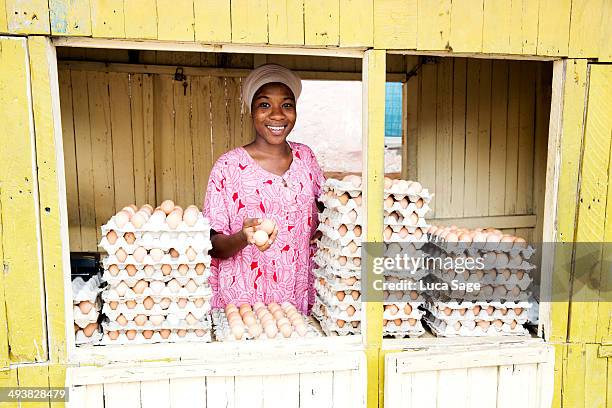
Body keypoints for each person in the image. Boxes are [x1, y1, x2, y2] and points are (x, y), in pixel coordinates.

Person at [203, 64, 325, 314]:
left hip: (297, 294)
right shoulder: (229, 166)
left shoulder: (306, 158)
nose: (277, 115)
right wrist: (243, 236)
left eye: (287, 105)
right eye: (265, 105)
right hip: (244, 299)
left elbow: (325, 215)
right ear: (251, 111)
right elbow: (213, 245)